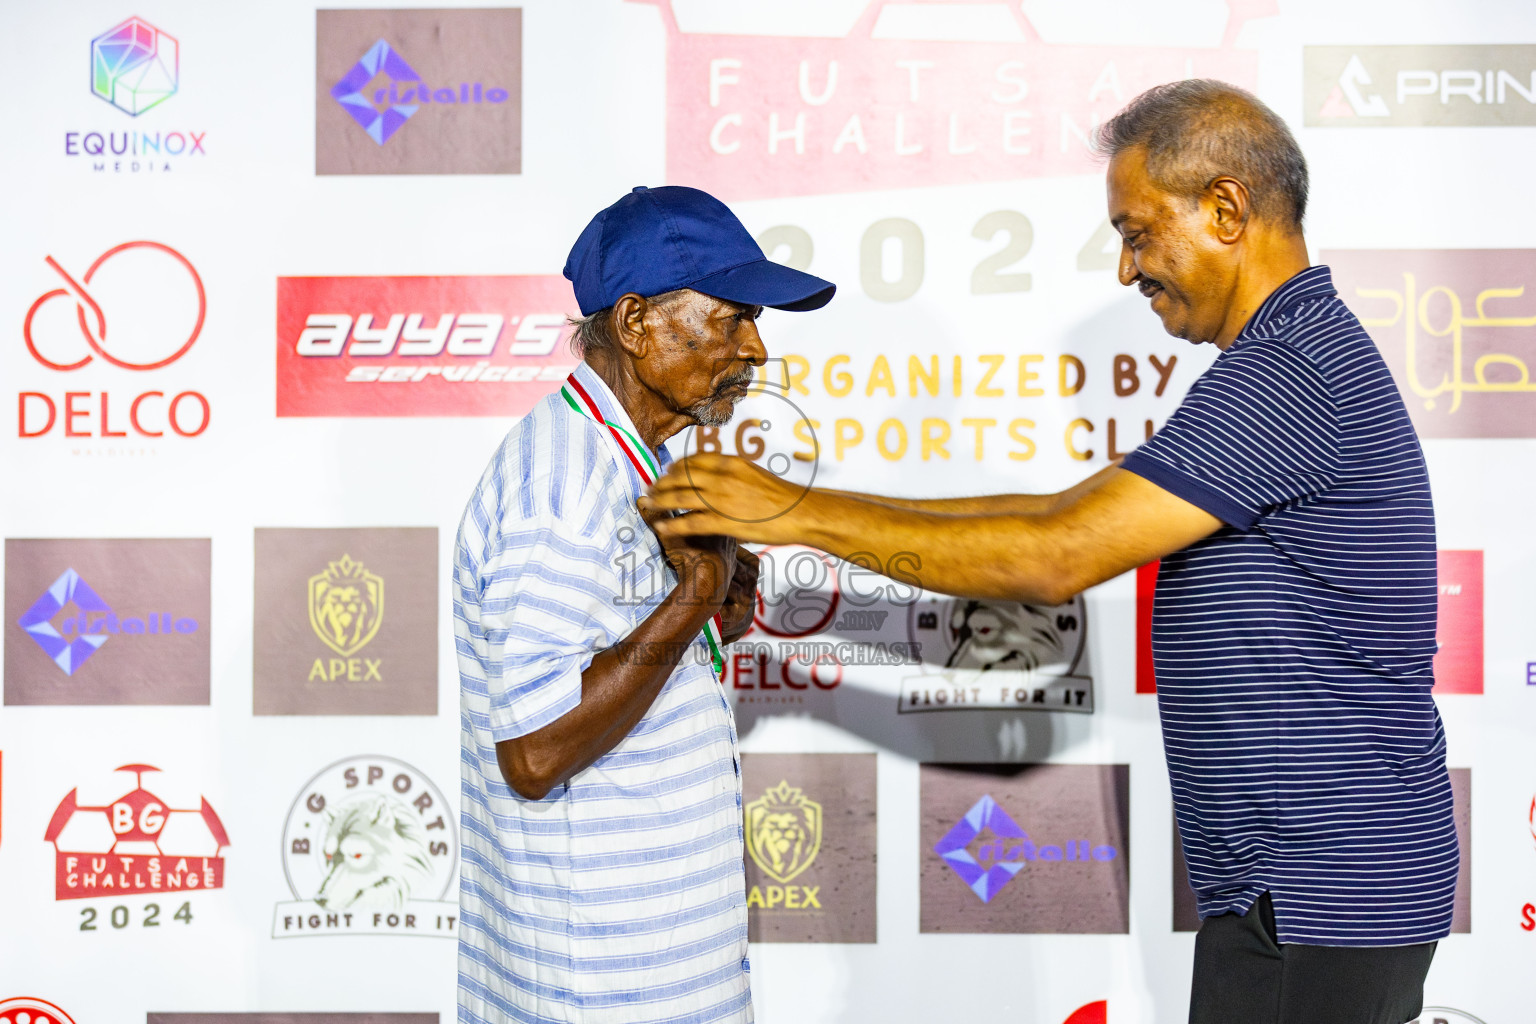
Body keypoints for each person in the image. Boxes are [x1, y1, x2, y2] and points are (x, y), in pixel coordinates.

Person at [646, 82, 1457, 1024]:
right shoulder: (1281, 359)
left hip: (1321, 895)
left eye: (1139, 232)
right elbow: (1063, 511)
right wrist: (802, 511)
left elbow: (1053, 554)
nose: (1127, 271)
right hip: (1307, 889)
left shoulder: (1292, 371)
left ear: (1227, 209)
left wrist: (793, 512)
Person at [454, 185, 835, 1024]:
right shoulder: (561, 483)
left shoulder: (636, 460)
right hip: (596, 989)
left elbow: (618, 664)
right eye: (732, 318)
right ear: (635, 324)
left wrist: (715, 604)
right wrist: (693, 597)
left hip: (652, 974)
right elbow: (534, 750)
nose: (758, 348)